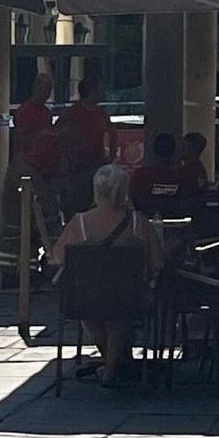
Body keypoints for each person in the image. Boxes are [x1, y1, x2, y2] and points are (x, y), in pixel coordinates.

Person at [53, 162, 166, 383]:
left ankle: (110, 364)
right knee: (120, 317)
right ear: (125, 190)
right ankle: (113, 368)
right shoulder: (138, 222)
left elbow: (58, 257)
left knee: (91, 317)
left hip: (85, 299)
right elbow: (158, 263)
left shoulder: (81, 223)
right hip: (128, 298)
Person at [12, 71, 61, 262]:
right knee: (40, 215)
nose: (47, 93)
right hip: (29, 168)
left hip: (46, 170)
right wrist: (44, 135)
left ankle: (47, 256)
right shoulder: (25, 111)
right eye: (44, 88)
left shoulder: (46, 113)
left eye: (49, 89)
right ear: (35, 88)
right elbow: (21, 139)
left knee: (48, 215)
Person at [54, 72, 114, 221]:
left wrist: (110, 158)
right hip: (75, 169)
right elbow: (57, 136)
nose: (103, 92)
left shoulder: (102, 114)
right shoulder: (71, 114)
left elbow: (112, 134)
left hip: (95, 166)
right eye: (100, 89)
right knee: (74, 207)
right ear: (92, 91)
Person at [131, 131, 184, 211]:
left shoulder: (141, 175)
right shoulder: (181, 177)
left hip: (145, 218)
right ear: (174, 152)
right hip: (175, 219)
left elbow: (134, 198)